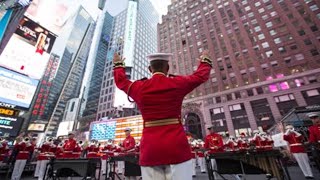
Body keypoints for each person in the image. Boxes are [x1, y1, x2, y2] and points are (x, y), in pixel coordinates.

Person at [113, 49, 212, 180]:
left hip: (150, 148)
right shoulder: (177, 83)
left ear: (150, 69)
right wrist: (205, 62)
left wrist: (119, 66)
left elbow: (121, 82)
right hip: (176, 146)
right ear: (168, 68)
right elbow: (200, 76)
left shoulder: (139, 87)